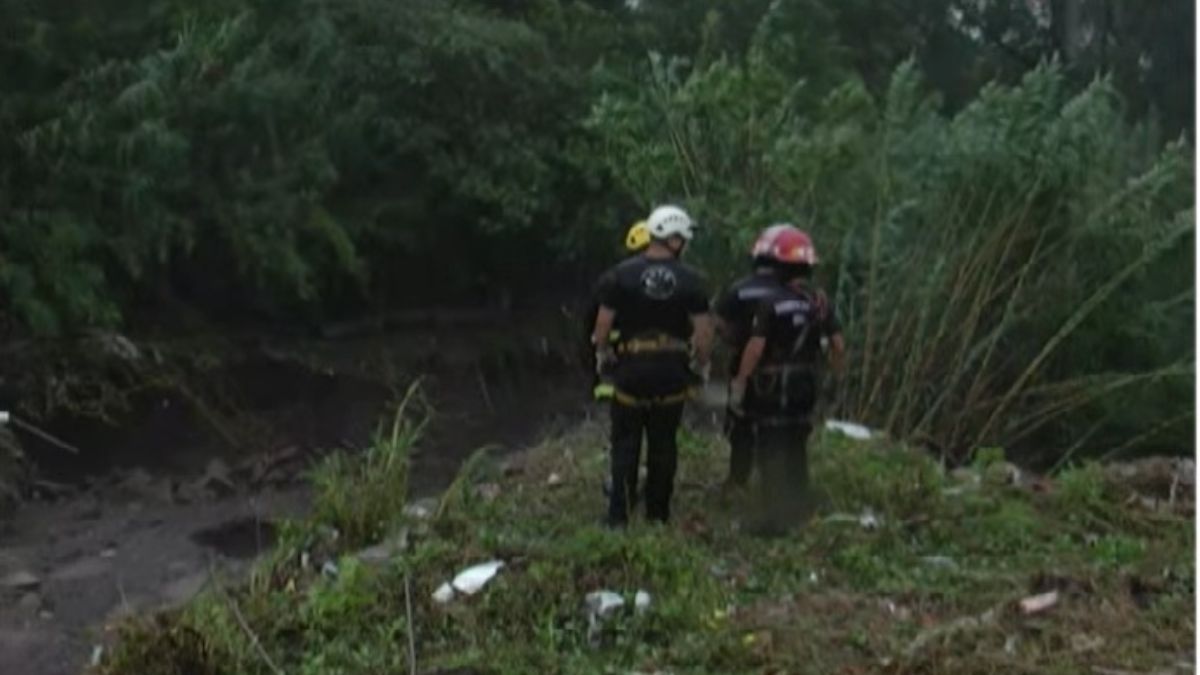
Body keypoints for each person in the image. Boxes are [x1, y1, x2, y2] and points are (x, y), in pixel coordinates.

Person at [592, 204, 713, 527]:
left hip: (631, 370)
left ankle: (618, 516)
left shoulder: (620, 275)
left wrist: (603, 355)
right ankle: (657, 515)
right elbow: (702, 334)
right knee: (663, 443)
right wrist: (702, 366)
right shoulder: (692, 280)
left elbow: (602, 326)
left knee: (625, 443)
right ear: (674, 240)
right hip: (671, 373)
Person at [729, 226, 845, 535]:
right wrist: (835, 379)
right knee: (797, 444)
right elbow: (838, 346)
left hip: (772, 386)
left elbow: (755, 348)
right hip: (806, 385)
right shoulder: (821, 303)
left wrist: (740, 382)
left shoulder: (772, 302)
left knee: (770, 447)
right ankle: (799, 506)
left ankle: (774, 518)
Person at [714, 225, 790, 490]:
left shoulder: (739, 289)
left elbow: (719, 324)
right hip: (783, 371)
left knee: (740, 422)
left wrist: (734, 341)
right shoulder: (788, 293)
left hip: (743, 367)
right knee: (776, 425)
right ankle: (776, 482)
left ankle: (738, 478)